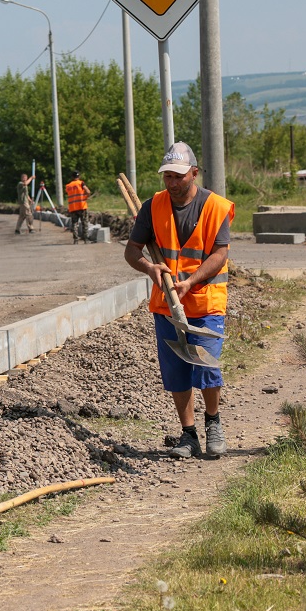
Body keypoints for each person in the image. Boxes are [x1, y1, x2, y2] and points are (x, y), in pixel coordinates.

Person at [123, 141, 235, 459]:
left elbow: (221, 253)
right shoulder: (153, 206)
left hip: (204, 301)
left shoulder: (215, 207)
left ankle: (213, 423)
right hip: (167, 306)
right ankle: (189, 435)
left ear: (194, 173)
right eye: (167, 176)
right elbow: (132, 250)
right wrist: (149, 267)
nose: (172, 183)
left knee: (207, 366)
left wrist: (190, 281)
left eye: (178, 176)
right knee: (176, 373)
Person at [65, 171, 93, 243]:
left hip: (73, 207)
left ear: (72, 177)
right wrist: (86, 196)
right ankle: (86, 239)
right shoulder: (81, 183)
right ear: (79, 176)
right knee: (84, 223)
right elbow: (88, 191)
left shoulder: (68, 186)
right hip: (82, 206)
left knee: (74, 223)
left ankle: (75, 240)